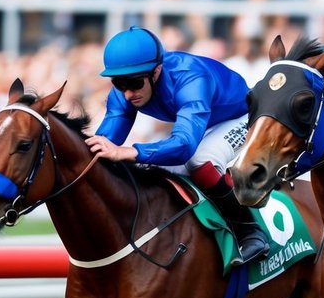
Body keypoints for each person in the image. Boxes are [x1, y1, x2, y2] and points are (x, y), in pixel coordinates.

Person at [85, 26, 269, 266]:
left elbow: (184, 146)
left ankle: (249, 232)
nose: (128, 93)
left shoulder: (190, 77)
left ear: (157, 71)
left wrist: (132, 152)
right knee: (153, 171)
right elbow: (106, 142)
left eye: (135, 83)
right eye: (119, 84)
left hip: (240, 117)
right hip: (202, 123)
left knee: (199, 162)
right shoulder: (128, 87)